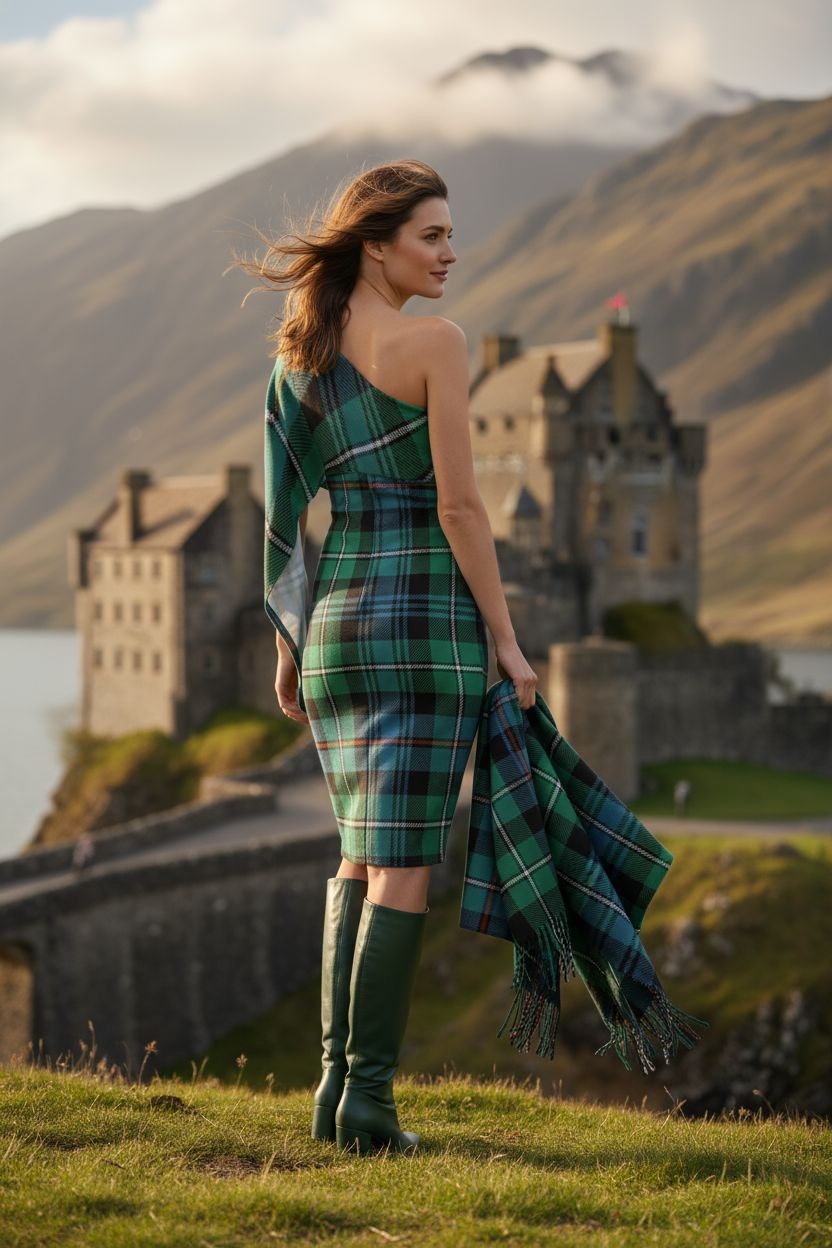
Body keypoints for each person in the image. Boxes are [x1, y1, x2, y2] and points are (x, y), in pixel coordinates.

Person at [233, 159, 536, 1155]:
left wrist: (290, 644)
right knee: (405, 866)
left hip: (336, 634)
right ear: (377, 244)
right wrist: (505, 637)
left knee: (359, 856)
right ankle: (368, 1102)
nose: (451, 254)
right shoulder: (433, 344)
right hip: (423, 630)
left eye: (451, 236)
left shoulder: (296, 362)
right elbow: (459, 506)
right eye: (433, 237)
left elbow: (282, 523)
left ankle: (331, 1094)